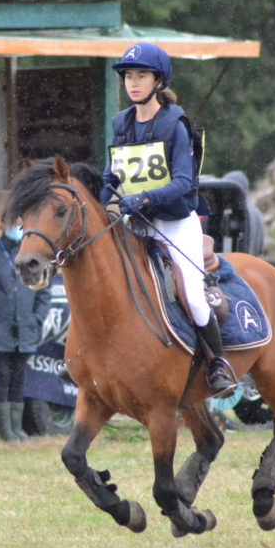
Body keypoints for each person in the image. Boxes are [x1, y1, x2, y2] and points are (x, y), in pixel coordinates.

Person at [99, 42, 237, 398]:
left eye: (141, 75)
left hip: (176, 224)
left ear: (158, 81)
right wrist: (104, 200)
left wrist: (142, 198)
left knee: (191, 295)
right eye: (129, 76)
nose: (133, 83)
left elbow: (183, 183)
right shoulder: (121, 124)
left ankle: (218, 364)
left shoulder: (174, 123)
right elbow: (111, 176)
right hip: (137, 224)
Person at [0, 211, 51, 441]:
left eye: (20, 224)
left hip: (25, 327)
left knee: (19, 377)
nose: (15, 228)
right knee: (2, 375)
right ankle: (5, 429)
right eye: (11, 224)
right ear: (1, 224)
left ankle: (17, 427)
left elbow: (45, 292)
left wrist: (36, 320)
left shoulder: (35, 255)